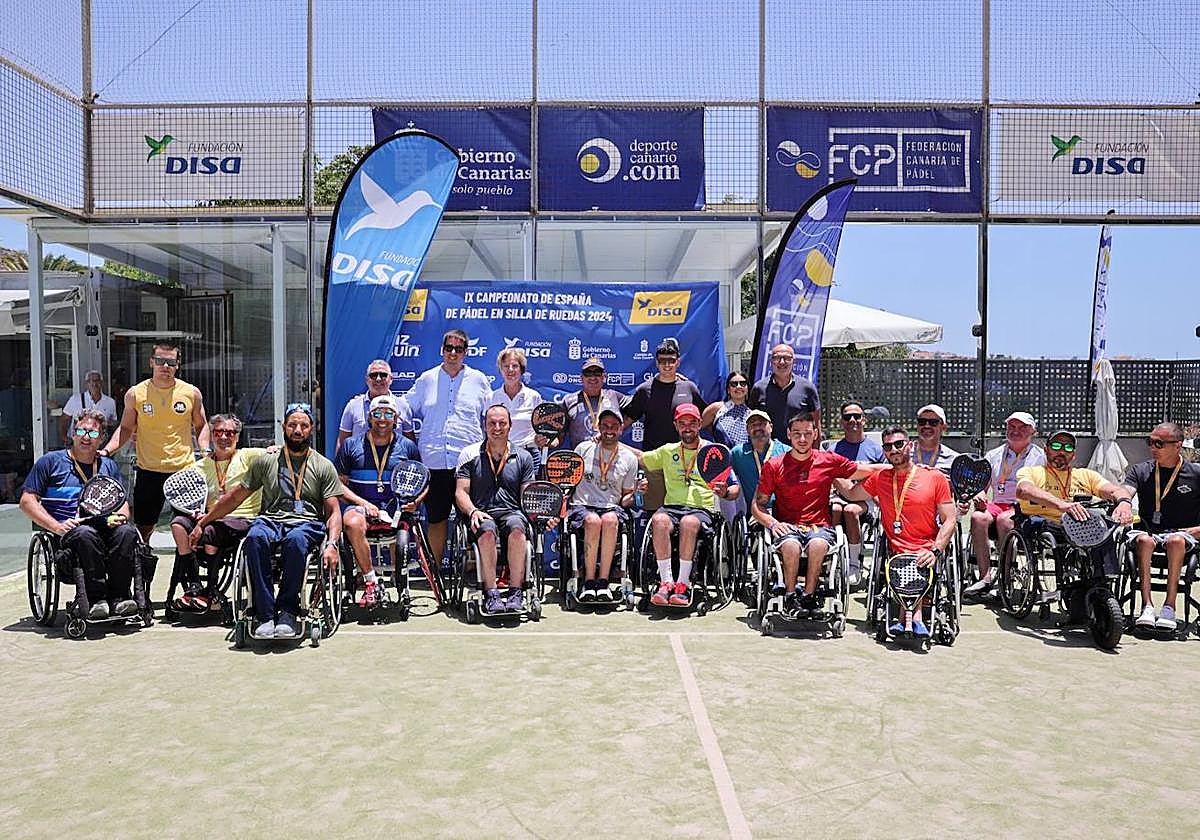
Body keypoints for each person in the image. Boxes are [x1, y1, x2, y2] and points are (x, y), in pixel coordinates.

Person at [192, 403, 342, 640]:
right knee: (254, 538)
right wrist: (204, 522)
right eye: (292, 425)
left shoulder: (323, 465)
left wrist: (332, 544)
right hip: (271, 520)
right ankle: (264, 615)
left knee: (295, 541)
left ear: (311, 429)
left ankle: (287, 613)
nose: (297, 430)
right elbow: (235, 498)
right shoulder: (265, 461)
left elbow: (334, 512)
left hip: (307, 523)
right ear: (284, 427)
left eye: (303, 425)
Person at [751, 412, 880, 613]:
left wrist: (903, 468)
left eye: (807, 433)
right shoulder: (774, 465)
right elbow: (757, 505)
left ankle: (809, 596)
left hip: (819, 526)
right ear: (788, 434)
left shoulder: (828, 460)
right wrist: (773, 523)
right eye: (796, 433)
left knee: (818, 544)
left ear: (815, 434)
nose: (802, 439)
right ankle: (790, 595)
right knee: (791, 546)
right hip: (788, 526)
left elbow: (866, 471)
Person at [20, 408, 141, 620]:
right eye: (82, 431)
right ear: (73, 433)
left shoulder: (108, 466)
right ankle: (96, 599)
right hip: (67, 533)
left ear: (102, 438)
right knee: (85, 533)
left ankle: (119, 598)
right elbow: (26, 502)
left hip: (104, 529)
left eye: (93, 433)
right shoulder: (50, 462)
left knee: (127, 533)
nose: (87, 437)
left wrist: (121, 518)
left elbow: (122, 505)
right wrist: (55, 526)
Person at [841, 426, 959, 637]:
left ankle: (911, 619)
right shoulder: (880, 477)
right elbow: (851, 494)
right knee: (903, 562)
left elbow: (950, 519)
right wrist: (831, 472)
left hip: (927, 548)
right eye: (887, 447)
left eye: (898, 444)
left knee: (918, 562)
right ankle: (914, 619)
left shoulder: (935, 478)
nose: (893, 450)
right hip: (894, 549)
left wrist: (936, 550)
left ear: (910, 445)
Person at [101, 340, 209, 543]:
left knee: (186, 527)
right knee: (144, 528)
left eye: (170, 362)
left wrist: (206, 452)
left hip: (183, 471)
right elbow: (125, 428)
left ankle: (184, 571)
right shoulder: (135, 394)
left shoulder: (191, 393)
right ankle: (144, 571)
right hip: (148, 470)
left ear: (178, 364)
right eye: (160, 361)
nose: (165, 367)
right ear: (151, 362)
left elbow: (201, 425)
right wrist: (107, 451)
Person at [1014, 430, 1134, 606]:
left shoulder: (1086, 475)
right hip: (1047, 523)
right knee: (1076, 529)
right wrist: (1062, 505)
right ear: (1046, 450)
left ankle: (1103, 583)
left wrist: (1124, 503)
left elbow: (1115, 490)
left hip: (1082, 525)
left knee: (1106, 528)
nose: (1061, 451)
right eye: (1056, 446)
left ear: (1073, 454)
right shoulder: (1032, 472)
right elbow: (1023, 490)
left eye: (1067, 447)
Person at [405, 328, 492, 569]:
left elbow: (492, 417)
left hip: (469, 462)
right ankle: (434, 573)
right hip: (434, 462)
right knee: (437, 519)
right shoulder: (427, 379)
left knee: (474, 518)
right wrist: (410, 443)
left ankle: (477, 572)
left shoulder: (479, 380)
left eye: (459, 349)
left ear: (466, 352)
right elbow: (405, 410)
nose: (453, 353)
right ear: (442, 350)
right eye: (449, 348)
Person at [640, 403, 739, 607]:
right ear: (676, 426)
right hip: (671, 508)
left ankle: (683, 584)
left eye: (692, 423)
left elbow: (734, 487)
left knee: (689, 522)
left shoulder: (714, 452)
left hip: (701, 511)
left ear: (700, 424)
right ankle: (666, 583)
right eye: (683, 423)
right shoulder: (667, 451)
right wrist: (611, 441)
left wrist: (725, 492)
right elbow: (640, 458)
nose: (687, 427)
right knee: (658, 520)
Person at [168, 414, 266, 612]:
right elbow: (190, 498)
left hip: (242, 519)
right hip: (209, 518)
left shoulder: (249, 456)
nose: (224, 437)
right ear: (212, 436)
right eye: (218, 432)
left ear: (237, 436)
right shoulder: (199, 467)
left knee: (211, 529)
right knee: (178, 524)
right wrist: (196, 515)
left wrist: (274, 448)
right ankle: (195, 584)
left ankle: (211, 591)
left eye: (229, 433)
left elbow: (279, 452)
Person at [334, 394, 422, 608]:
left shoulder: (408, 447)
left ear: (396, 418)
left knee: (400, 535)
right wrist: (363, 503)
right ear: (369, 417)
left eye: (388, 414)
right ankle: (370, 582)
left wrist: (416, 502)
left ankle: (399, 584)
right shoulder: (351, 446)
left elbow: (422, 480)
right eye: (378, 414)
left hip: (395, 510)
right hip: (360, 507)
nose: (383, 419)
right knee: (352, 523)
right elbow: (338, 485)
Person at [455, 405, 539, 613]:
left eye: (502, 423)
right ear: (485, 426)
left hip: (512, 512)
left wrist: (539, 516)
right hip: (481, 512)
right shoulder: (469, 453)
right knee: (487, 531)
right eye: (492, 423)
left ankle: (515, 592)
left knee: (518, 528)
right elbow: (460, 492)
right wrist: (472, 511)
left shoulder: (524, 457)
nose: (497, 428)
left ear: (510, 426)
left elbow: (527, 494)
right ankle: (491, 593)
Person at [1124, 422, 1200, 632]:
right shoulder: (1141, 470)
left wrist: (1196, 530)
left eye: (1159, 443)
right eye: (1150, 442)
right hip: (1148, 532)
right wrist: (1123, 502)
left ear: (1178, 445)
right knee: (1143, 540)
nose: (1153, 448)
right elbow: (1126, 490)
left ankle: (1169, 606)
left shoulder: (1196, 474)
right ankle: (1146, 605)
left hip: (1183, 535)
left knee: (1176, 540)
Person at [965, 411, 1046, 596]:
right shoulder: (993, 454)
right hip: (999, 503)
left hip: (1026, 506)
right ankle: (984, 578)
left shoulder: (1041, 457)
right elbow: (982, 485)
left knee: (1004, 520)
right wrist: (979, 494)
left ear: (1033, 431)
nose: (1016, 431)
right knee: (978, 517)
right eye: (1012, 427)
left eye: (1022, 427)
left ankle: (1005, 577)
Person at [622, 339, 707, 509]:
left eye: (671, 360)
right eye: (662, 361)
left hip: (686, 463)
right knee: (655, 514)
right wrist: (606, 437)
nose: (667, 365)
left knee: (687, 513)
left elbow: (705, 417)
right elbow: (627, 420)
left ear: (678, 362)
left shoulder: (689, 388)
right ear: (656, 362)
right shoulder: (645, 390)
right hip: (655, 462)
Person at [569, 409, 638, 602]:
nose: (609, 430)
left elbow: (625, 500)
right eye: (605, 426)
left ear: (621, 429)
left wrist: (637, 494)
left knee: (609, 520)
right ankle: (589, 582)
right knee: (592, 521)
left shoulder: (629, 458)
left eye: (614, 427)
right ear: (598, 427)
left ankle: (603, 582)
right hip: (583, 505)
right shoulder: (583, 449)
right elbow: (570, 483)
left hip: (611, 507)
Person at [830, 400, 886, 584]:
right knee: (837, 509)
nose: (852, 420)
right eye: (847, 417)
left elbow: (883, 476)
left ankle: (854, 563)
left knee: (851, 510)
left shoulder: (876, 449)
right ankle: (831, 556)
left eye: (857, 416)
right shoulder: (834, 450)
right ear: (842, 422)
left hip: (867, 499)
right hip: (839, 496)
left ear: (864, 420)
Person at [748, 343, 821, 444]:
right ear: (771, 362)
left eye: (787, 358)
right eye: (777, 358)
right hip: (767, 451)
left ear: (794, 361)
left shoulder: (807, 388)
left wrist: (816, 454)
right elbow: (752, 422)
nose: (782, 362)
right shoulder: (758, 388)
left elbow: (816, 424)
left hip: (799, 451)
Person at [336, 359, 413, 454]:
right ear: (367, 380)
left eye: (383, 375)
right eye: (373, 375)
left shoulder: (403, 406)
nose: (378, 379)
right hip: (360, 466)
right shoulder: (353, 406)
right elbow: (342, 441)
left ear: (391, 379)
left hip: (394, 465)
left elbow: (410, 442)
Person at [562, 357, 627, 449]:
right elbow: (559, 435)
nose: (593, 377)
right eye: (588, 373)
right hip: (580, 459)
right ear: (581, 378)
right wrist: (548, 442)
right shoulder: (568, 401)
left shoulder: (615, 396)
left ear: (604, 377)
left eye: (597, 373)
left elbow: (637, 409)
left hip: (609, 457)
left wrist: (618, 428)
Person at [729, 409, 788, 509]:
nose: (757, 428)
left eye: (762, 424)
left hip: (783, 513)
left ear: (771, 427)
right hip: (754, 515)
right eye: (753, 425)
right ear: (747, 430)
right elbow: (727, 477)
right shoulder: (738, 453)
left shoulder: (786, 452)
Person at [487, 346, 542, 451]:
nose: (510, 370)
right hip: (498, 454)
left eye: (515, 366)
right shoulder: (491, 398)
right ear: (501, 370)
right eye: (506, 366)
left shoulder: (534, 397)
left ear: (522, 370)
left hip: (528, 453)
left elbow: (541, 430)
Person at [59, 370, 119, 443]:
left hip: (99, 444)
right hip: (78, 443)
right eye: (90, 381)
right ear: (87, 383)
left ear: (102, 383)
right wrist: (64, 437)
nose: (94, 383)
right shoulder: (75, 399)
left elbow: (114, 423)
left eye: (97, 380)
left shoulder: (110, 402)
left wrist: (107, 423)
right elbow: (64, 419)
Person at [702, 371, 752, 449]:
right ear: (728, 389)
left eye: (743, 383)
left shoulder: (752, 414)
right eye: (734, 384)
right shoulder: (716, 409)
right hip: (721, 457)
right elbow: (699, 428)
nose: (738, 387)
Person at [910, 404, 957, 474]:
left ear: (943, 427)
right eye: (922, 421)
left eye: (933, 422)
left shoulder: (954, 460)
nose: (926, 425)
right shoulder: (902, 453)